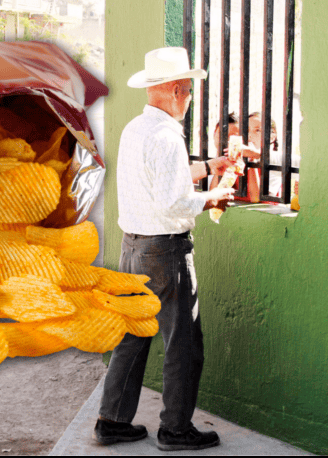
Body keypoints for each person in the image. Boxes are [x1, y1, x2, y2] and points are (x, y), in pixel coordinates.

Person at [93, 47, 234, 451]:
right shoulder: (169, 138)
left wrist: (209, 166)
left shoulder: (137, 128)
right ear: (174, 90)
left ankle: (112, 421)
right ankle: (175, 429)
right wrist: (212, 198)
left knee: (133, 337)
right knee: (183, 342)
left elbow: (162, 181)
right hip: (166, 252)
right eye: (188, 92)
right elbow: (173, 201)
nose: (189, 99)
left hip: (133, 248)